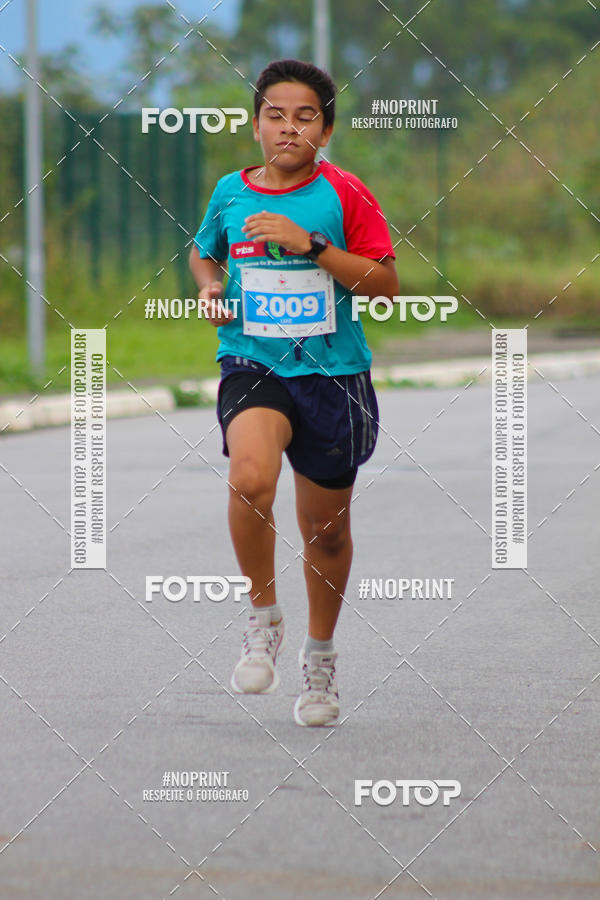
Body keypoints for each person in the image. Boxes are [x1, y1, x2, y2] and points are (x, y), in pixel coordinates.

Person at [189, 58, 398, 727]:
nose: (287, 127)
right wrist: (210, 288)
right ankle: (263, 616)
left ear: (325, 129)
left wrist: (310, 246)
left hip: (334, 377)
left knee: (325, 533)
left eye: (304, 116)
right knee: (250, 478)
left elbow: (384, 284)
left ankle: (321, 656)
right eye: (275, 114)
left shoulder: (345, 194)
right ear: (256, 125)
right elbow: (204, 251)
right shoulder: (230, 190)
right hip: (254, 363)